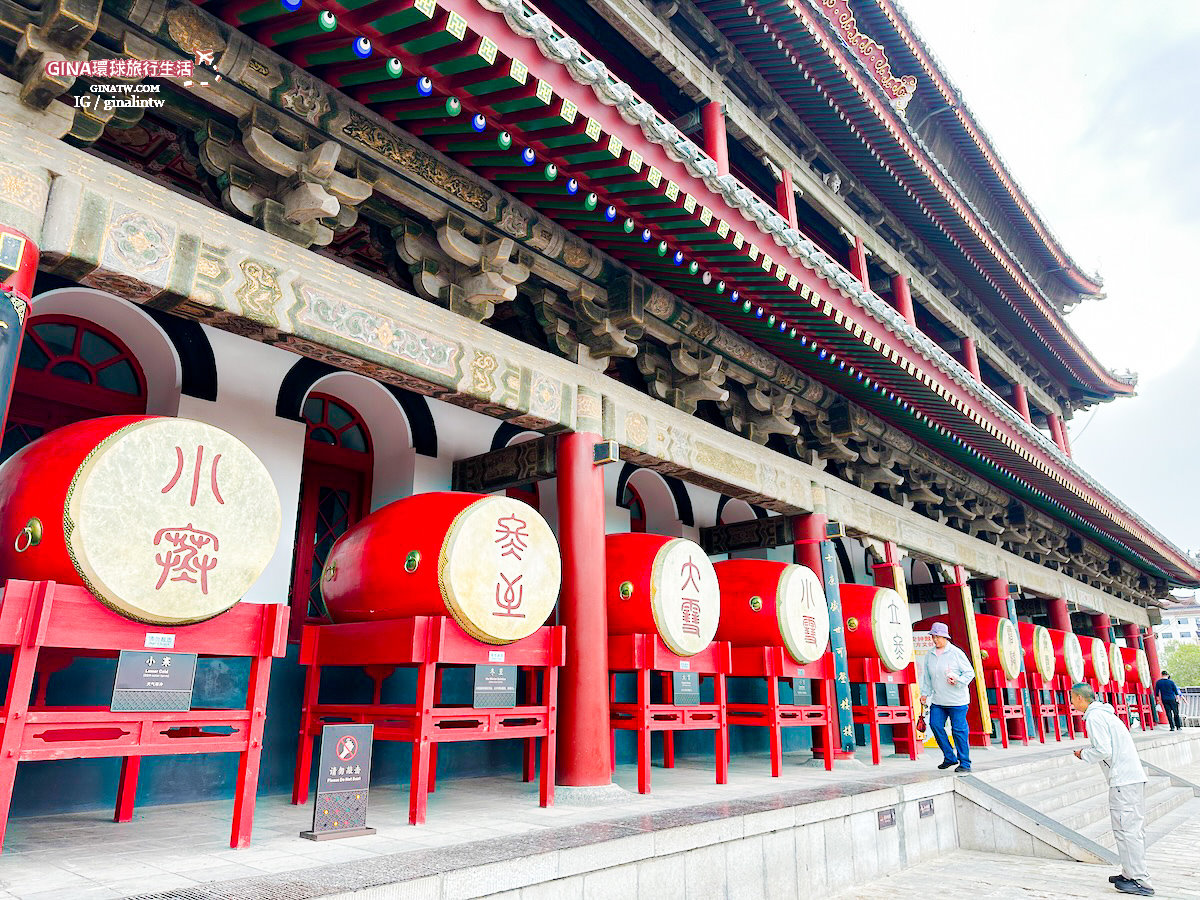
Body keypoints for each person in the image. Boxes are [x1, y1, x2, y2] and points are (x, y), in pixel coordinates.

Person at [1070, 682, 1153, 897]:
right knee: (1129, 828)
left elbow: (1103, 750)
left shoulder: (1094, 717)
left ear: (1079, 698)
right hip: (1130, 779)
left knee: (1127, 830)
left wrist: (1083, 754)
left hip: (1123, 781)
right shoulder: (1106, 714)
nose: (1071, 702)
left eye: (1072, 698)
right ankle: (1129, 873)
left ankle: (1139, 880)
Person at [918, 621, 976, 773]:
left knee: (958, 731)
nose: (935, 639)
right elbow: (928, 678)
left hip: (957, 701)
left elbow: (970, 673)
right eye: (933, 636)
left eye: (937, 637)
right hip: (938, 700)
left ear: (945, 637)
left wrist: (958, 680)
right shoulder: (929, 655)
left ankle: (965, 763)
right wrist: (924, 694)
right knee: (935, 725)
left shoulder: (956, 653)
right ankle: (949, 757)